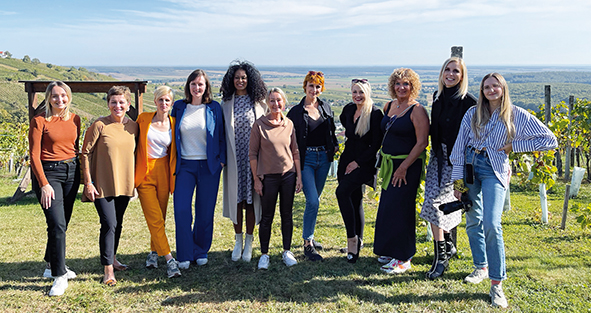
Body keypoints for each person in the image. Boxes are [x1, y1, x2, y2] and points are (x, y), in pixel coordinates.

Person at [450, 73, 557, 308]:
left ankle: (496, 284)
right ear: (482, 90)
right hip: (469, 167)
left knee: (491, 223)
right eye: (486, 87)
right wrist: (457, 183)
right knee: (472, 219)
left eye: (495, 86)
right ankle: (480, 267)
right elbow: (458, 147)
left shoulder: (516, 114)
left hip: (494, 169)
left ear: (503, 89)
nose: (490, 90)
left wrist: (514, 146)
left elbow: (550, 140)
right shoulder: (472, 113)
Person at [421, 57, 477, 279]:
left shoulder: (469, 102)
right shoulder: (437, 97)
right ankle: (449, 246)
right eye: (448, 69)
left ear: (462, 76)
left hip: (458, 162)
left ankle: (440, 258)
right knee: (436, 202)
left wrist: (462, 178)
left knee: (440, 205)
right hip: (438, 158)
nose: (451, 74)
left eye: (456, 71)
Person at [81, 86, 138, 286]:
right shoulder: (99, 125)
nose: (117, 106)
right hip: (101, 186)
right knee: (109, 224)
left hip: (124, 185)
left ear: (128, 104)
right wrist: (88, 182)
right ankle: (108, 270)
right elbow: (85, 153)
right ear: (108, 104)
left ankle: (112, 258)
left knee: (118, 223)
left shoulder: (133, 127)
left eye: (121, 102)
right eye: (113, 102)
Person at [374, 68, 429, 274]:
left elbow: (422, 142)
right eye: (397, 84)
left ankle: (404, 257)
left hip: (407, 167)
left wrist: (404, 167)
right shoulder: (390, 106)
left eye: (406, 84)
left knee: (402, 210)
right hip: (390, 166)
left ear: (412, 86)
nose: (401, 87)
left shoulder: (417, 110)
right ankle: (389, 250)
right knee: (388, 208)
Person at [29, 81, 81, 296]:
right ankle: (59, 276)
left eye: (63, 95)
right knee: (57, 224)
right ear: (48, 98)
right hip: (49, 174)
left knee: (62, 223)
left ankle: (51, 263)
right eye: (55, 96)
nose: (60, 100)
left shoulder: (75, 118)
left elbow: (75, 148)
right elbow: (34, 155)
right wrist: (44, 184)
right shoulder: (39, 120)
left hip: (71, 172)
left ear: (68, 97)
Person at [171, 69, 226, 269]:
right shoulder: (178, 107)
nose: (197, 88)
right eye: (193, 84)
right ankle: (184, 253)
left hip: (209, 166)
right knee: (182, 209)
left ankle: (200, 250)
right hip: (185, 165)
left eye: (200, 84)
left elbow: (221, 137)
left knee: (205, 211)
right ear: (188, 86)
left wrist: (221, 161)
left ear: (206, 87)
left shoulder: (214, 108)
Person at [286, 70, 338, 261]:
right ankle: (307, 244)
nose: (314, 89)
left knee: (315, 201)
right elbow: (289, 138)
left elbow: (331, 132)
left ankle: (310, 236)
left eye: (318, 86)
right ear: (305, 86)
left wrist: (334, 148)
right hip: (305, 159)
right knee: (313, 201)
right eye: (311, 85)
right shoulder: (296, 112)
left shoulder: (326, 107)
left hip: (323, 158)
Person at [250, 87, 302, 270]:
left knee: (287, 215)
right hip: (268, 178)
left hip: (288, 175)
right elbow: (253, 154)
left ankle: (287, 251)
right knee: (267, 217)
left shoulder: (289, 124)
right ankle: (264, 254)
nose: (275, 104)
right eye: (271, 100)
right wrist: (256, 179)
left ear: (284, 102)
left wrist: (299, 177)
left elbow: (295, 152)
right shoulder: (259, 125)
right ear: (266, 102)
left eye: (278, 100)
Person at [220, 60, 267, 262]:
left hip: (253, 161)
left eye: (244, 78)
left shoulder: (259, 103)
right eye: (237, 77)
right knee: (236, 202)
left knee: (252, 202)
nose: (240, 80)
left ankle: (249, 242)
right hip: (233, 161)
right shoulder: (225, 104)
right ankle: (237, 241)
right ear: (232, 80)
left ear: (250, 80)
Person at [134, 86, 181, 278]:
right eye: (160, 100)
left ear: (171, 103)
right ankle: (170, 260)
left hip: (164, 172)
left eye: (167, 101)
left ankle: (153, 253)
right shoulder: (143, 119)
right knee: (153, 216)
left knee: (160, 217)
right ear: (155, 101)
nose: (163, 104)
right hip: (144, 173)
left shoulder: (174, 123)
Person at [336, 79, 383, 263]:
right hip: (346, 159)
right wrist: (349, 160)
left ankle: (352, 241)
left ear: (368, 93)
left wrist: (358, 162)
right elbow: (345, 125)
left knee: (341, 193)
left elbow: (376, 144)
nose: (358, 96)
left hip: (363, 164)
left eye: (361, 92)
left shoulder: (375, 114)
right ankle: (360, 240)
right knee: (355, 199)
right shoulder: (348, 109)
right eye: (355, 92)